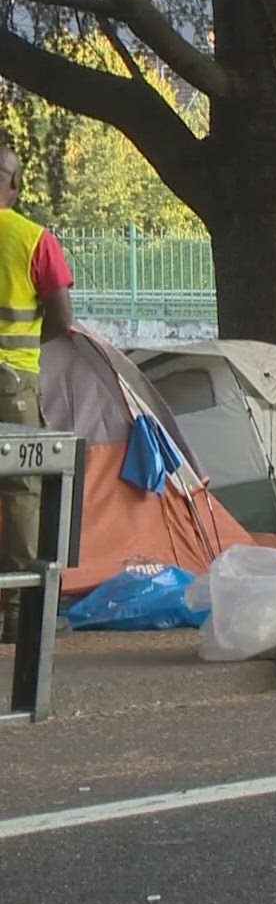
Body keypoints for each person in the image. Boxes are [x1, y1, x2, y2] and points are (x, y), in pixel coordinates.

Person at [0, 146, 75, 643]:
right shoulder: (33, 239)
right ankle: (21, 613)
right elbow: (62, 319)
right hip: (12, 383)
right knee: (23, 491)